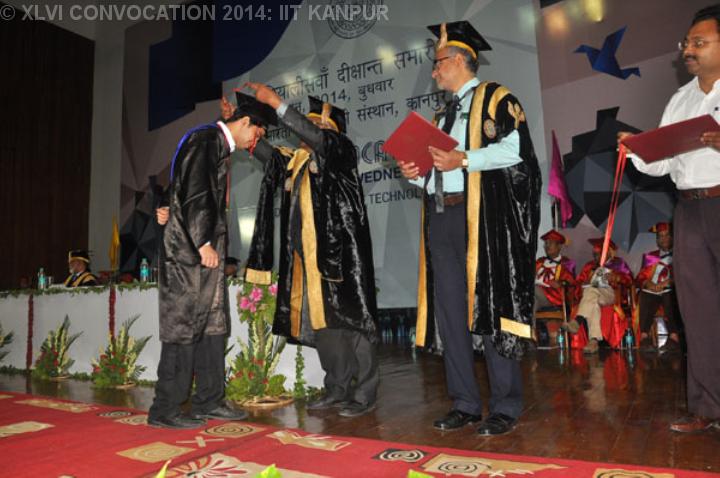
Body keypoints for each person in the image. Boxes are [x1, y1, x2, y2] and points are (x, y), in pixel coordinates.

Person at [398, 21, 541, 435]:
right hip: (442, 216)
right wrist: (415, 174)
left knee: (490, 305)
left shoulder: (496, 97)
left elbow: (516, 150)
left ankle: (506, 404)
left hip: (482, 219)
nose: (434, 71)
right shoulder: (441, 114)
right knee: (450, 311)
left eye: (438, 63)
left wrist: (463, 159)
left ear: (460, 60)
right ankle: (464, 402)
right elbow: (438, 172)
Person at [239, 84, 379, 419]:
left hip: (342, 259)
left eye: (316, 126)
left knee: (353, 324)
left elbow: (318, 138)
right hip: (307, 261)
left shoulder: (341, 150)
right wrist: (239, 124)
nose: (307, 132)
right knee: (325, 328)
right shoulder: (298, 162)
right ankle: (337, 388)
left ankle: (365, 393)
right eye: (309, 125)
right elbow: (272, 159)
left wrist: (278, 104)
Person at [618, 4, 720, 433]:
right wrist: (638, 149)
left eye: (699, 42)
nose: (688, 50)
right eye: (686, 43)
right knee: (697, 311)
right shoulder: (681, 99)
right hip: (689, 210)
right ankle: (707, 407)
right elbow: (662, 163)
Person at [147, 92, 277, 429]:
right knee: (183, 325)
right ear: (245, 122)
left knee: (213, 327)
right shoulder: (206, 139)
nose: (255, 141)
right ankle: (165, 409)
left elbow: (180, 185)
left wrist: (167, 204)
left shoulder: (216, 144)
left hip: (204, 255)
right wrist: (203, 240)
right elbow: (196, 191)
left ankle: (210, 400)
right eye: (257, 133)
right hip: (189, 254)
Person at [569, 238, 632, 354]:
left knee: (591, 292)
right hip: (593, 296)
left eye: (599, 254)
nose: (596, 257)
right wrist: (585, 283)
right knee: (592, 297)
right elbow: (577, 283)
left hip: (611, 294)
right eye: (595, 254)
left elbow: (630, 280)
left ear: (608, 252)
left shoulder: (619, 263)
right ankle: (593, 341)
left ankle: (578, 320)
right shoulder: (589, 266)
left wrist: (617, 277)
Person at [634, 222, 681, 352]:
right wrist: (648, 283)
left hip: (671, 290)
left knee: (668, 296)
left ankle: (674, 337)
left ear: (672, 237)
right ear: (657, 240)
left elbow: (685, 275)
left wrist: (669, 282)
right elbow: (639, 278)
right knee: (645, 294)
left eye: (667, 235)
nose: (664, 239)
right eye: (660, 236)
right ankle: (645, 337)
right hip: (652, 290)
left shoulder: (679, 254)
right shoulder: (651, 256)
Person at [534, 230, 577, 345]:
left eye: (550, 243)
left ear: (559, 246)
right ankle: (531, 334)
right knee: (532, 302)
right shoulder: (540, 261)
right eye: (546, 243)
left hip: (555, 297)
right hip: (539, 296)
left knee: (532, 290)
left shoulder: (567, 263)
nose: (547, 246)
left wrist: (561, 283)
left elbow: (572, 282)